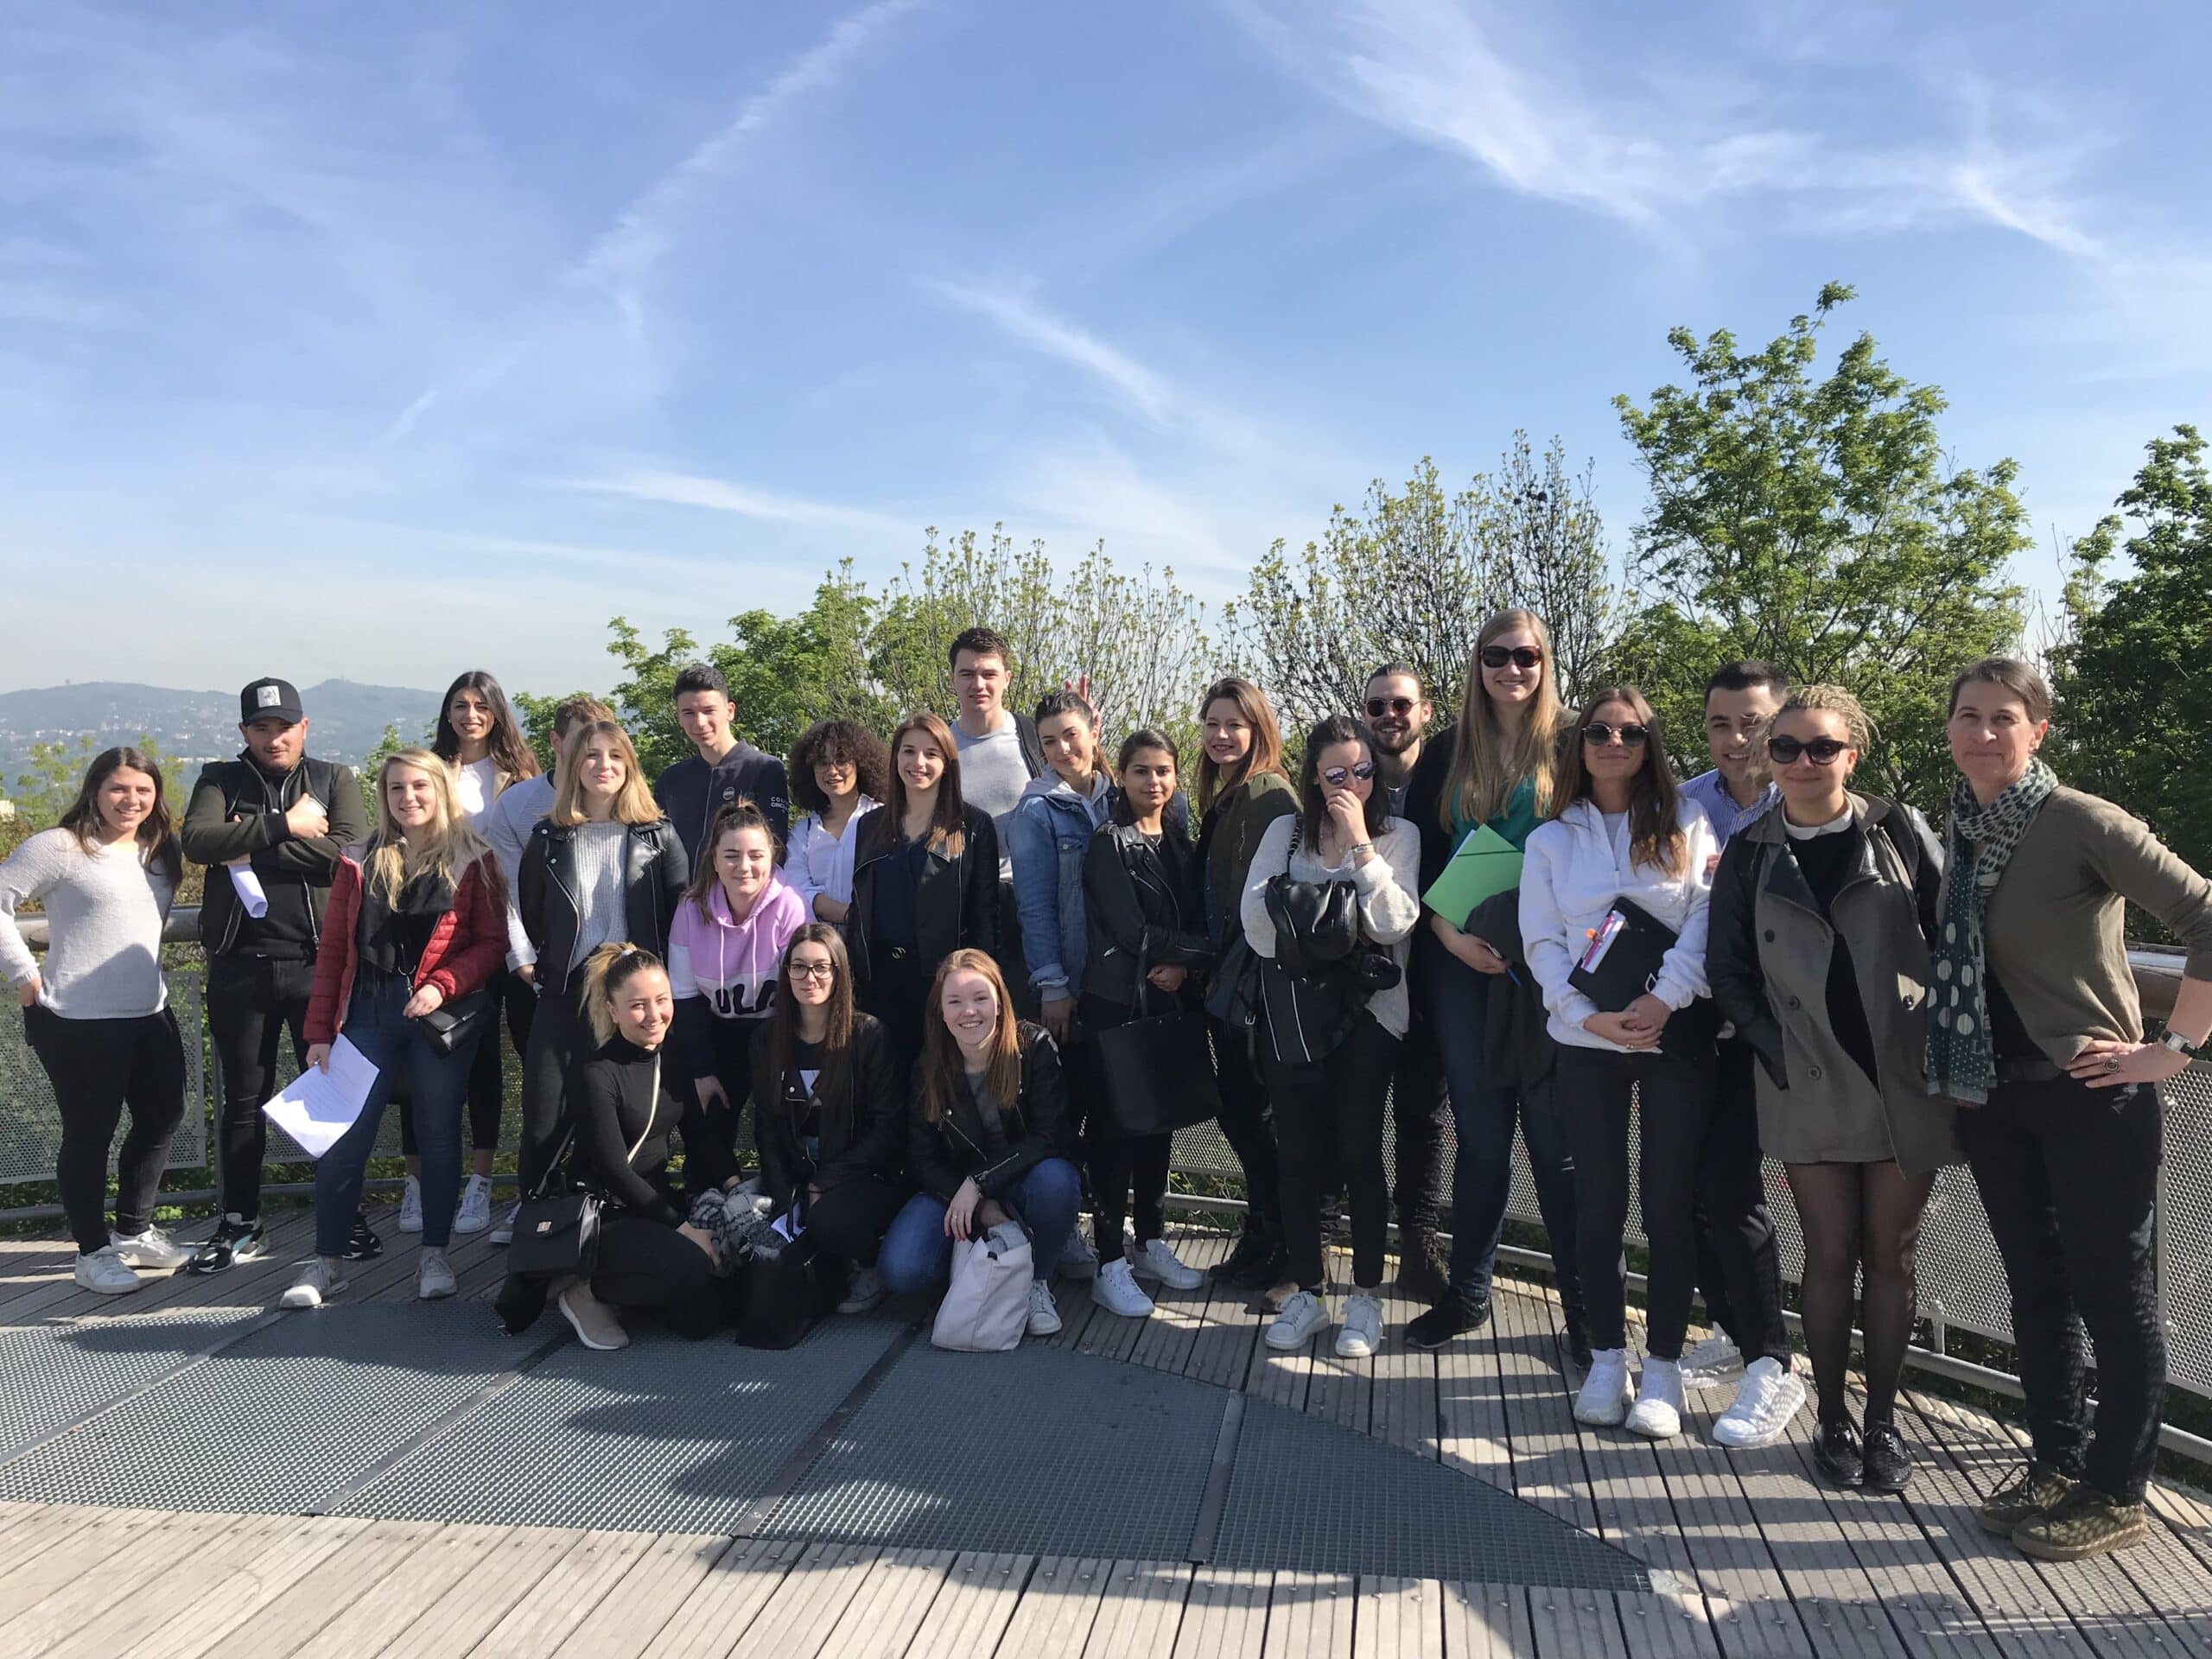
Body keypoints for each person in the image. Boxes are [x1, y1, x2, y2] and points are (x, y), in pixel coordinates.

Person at [1932, 659, 2212, 1560]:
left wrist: (2176, 1049)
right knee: (2034, 1287)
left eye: (2002, 718)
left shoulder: (2078, 820)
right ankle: (2054, 1462)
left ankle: (2116, 1487)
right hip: (1996, 1092)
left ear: (2037, 730)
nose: (1982, 734)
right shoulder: (1964, 827)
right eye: (1967, 717)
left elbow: (2205, 912)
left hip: (2093, 1096)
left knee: (2112, 1294)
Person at [1710, 686, 1951, 1475]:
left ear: (1853, 754)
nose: (1804, 763)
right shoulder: (1749, 852)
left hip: (1900, 1077)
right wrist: (1775, 1051)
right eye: (1786, 748)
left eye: (1821, 747)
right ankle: (1833, 1421)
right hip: (1805, 1077)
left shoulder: (1900, 834)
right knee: (1827, 1251)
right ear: (1766, 757)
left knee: (1892, 1254)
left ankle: (1881, 1423)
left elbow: (1955, 941)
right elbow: (1729, 970)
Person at [1522, 686, 1719, 1440]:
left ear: (1649, 744)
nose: (1613, 743)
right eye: (1598, 732)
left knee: (1669, 1205)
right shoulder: (1551, 841)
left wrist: (1664, 1000)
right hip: (1585, 1044)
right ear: (1577, 745)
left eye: (1629, 733)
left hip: (1671, 1037)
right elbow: (1541, 946)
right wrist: (1587, 1016)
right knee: (1597, 1208)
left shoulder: (1686, 821)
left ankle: (1662, 1366)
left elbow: (1704, 917)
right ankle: (1607, 1357)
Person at [1400, 613, 1586, 1357]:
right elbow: (1415, 862)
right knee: (1481, 1141)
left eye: (1527, 655)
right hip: (1460, 966)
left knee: (1555, 1146)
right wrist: (1445, 934)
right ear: (1477, 664)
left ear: (1546, 662)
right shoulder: (1446, 752)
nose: (1512, 668)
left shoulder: (1576, 742)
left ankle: (1586, 1313)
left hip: (1549, 971)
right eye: (1496, 656)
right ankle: (1468, 1292)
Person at [281, 750, 505, 1308]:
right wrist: (318, 1033)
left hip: (436, 1014)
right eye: (397, 788)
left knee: (437, 1133)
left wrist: (444, 984)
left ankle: (435, 1255)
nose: (408, 798)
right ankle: (328, 1262)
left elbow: (491, 943)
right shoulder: (359, 858)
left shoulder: (472, 858)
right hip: (367, 1013)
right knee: (342, 1139)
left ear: (440, 790)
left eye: (419, 787)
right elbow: (334, 950)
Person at [1241, 715, 1421, 1357]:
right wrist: (1343, 931)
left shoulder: (1399, 835)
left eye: (1364, 771)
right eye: (1337, 774)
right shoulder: (1284, 833)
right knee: (1297, 1158)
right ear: (1314, 777)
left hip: (1371, 1017)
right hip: (1295, 1016)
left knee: (1360, 1155)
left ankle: (1366, 1298)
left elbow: (1396, 922)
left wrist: (1358, 847)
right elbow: (1255, 925)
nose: (1353, 784)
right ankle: (1310, 1293)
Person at [179, 678, 369, 1274]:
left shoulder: (335, 779)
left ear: (303, 727)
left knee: (329, 1095)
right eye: (261, 727)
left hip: (319, 965)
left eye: (284, 726)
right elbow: (197, 841)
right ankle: (240, 1220)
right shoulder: (218, 778)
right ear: (244, 733)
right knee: (242, 1101)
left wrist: (248, 840)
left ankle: (345, 1214)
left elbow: (348, 853)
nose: (273, 736)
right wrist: (287, 825)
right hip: (239, 966)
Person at [0, 747, 191, 1294]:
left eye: (143, 790)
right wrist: (24, 978)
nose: (131, 800)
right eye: (118, 789)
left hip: (150, 1010)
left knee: (164, 1115)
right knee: (90, 1135)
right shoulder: (60, 847)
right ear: (94, 791)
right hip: (77, 1016)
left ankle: (133, 1229)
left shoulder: (160, 848)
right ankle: (91, 1251)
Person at [1669, 662, 1795, 1397]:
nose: (1737, 737)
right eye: (1721, 723)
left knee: (1732, 1189)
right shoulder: (1682, 805)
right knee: (1686, 1189)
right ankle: (1731, 1329)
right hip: (1689, 1020)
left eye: (1753, 722)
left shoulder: (1807, 798)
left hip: (1773, 1026)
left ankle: (1771, 1360)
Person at [512, 720, 687, 1217]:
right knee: (544, 1119)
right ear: (572, 765)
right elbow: (534, 914)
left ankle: (627, 1217)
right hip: (567, 991)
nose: (603, 766)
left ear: (629, 765)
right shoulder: (548, 838)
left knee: (631, 1118)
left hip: (635, 1000)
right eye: (591, 755)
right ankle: (537, 1225)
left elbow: (677, 916)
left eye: (615, 755)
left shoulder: (659, 835)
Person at [878, 949, 1084, 1338]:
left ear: (1000, 1002)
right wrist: (977, 1202)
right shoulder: (928, 1069)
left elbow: (1049, 1136)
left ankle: (1036, 1281)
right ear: (940, 1011)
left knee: (1058, 1179)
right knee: (902, 1270)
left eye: (979, 998)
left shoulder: (1033, 1047)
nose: (968, 1011)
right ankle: (977, 1265)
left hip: (1020, 1180)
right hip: (954, 1189)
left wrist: (980, 1184)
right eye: (954, 1001)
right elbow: (922, 1160)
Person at [1080, 730, 1214, 1319]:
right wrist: (1201, 949)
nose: (1153, 782)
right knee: (1115, 1133)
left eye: (1163, 771)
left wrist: (1184, 967)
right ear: (1123, 777)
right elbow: (1132, 933)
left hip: (1168, 1002)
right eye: (1140, 771)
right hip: (1116, 1004)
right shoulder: (1108, 844)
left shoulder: (1181, 843)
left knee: (1160, 1126)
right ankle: (1108, 1260)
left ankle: (1151, 1241)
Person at [477, 695, 616, 1237]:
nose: (594, 756)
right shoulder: (521, 810)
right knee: (547, 1097)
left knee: (607, 1094)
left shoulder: (635, 815)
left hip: (616, 981)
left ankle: (598, 1201)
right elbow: (510, 895)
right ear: (559, 744)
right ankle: (537, 1201)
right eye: (582, 741)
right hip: (544, 974)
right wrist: (523, 961)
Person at [547, 944, 728, 1351]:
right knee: (695, 1265)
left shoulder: (673, 1056)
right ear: (612, 1011)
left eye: (662, 1001)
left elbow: (701, 1138)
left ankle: (651, 1283)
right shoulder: (596, 1074)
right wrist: (685, 1231)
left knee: (707, 1317)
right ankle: (586, 1290)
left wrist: (737, 1189)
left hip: (657, 1204)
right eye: (637, 1006)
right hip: (608, 1213)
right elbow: (614, 1169)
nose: (654, 1016)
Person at [416, 670, 543, 1242]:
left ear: (496, 713)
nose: (470, 715)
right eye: (460, 705)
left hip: (511, 926)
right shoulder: (433, 770)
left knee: (508, 1058)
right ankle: (430, 1184)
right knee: (444, 1053)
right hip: (448, 924)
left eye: (480, 706)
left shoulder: (520, 774)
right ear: (447, 713)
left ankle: (487, 1181)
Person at [1006, 689, 1116, 1275]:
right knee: (1066, 1113)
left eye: (1071, 735)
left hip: (1122, 987)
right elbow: (1036, 907)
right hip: (1070, 985)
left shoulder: (1121, 797)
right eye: (1048, 741)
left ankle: (1122, 1238)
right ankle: (1066, 1231)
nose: (1062, 749)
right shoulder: (1036, 810)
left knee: (1116, 1113)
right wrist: (1051, 984)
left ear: (1093, 731)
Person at [1194, 677, 1296, 1290]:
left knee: (1252, 1114)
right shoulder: (1233, 792)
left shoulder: (1265, 793)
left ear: (1259, 729)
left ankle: (1281, 1242)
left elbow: (1259, 899)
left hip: (1252, 982)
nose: (1221, 735)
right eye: (1212, 724)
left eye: (1235, 724)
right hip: (1233, 976)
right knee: (1242, 1113)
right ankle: (1263, 1235)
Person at [750, 925, 907, 1314]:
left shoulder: (869, 1036)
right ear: (785, 973)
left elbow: (887, 1130)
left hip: (861, 1175)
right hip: (796, 1171)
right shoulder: (767, 1039)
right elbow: (767, 1125)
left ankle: (869, 1264)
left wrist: (825, 1181)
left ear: (840, 973)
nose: (810, 978)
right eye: (799, 967)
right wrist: (784, 1192)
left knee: (828, 1221)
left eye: (822, 967)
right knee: (745, 1223)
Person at [1363, 663, 1452, 1303]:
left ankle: (1418, 1244)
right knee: (1353, 1114)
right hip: (1360, 981)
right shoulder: (1348, 779)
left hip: (1439, 971)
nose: (1389, 716)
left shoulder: (1452, 782)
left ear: (1424, 712)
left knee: (1424, 1114)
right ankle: (1327, 1242)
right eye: (1377, 707)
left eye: (1402, 705)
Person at [849, 712, 999, 1076]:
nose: (918, 763)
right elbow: (860, 908)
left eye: (931, 754)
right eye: (908, 751)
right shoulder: (870, 825)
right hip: (879, 982)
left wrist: (978, 986)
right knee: (885, 1086)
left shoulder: (974, 827)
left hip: (942, 983)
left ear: (947, 763)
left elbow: (985, 916)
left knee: (939, 1085)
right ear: (895, 758)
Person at [668, 801, 804, 1192]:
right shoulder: (691, 910)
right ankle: (709, 1202)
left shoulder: (790, 905)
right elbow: (685, 995)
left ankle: (782, 1204)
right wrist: (702, 1069)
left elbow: (802, 990)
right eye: (731, 855)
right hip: (714, 1030)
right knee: (705, 1119)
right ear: (714, 859)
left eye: (755, 856)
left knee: (776, 1121)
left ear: (771, 857)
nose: (744, 866)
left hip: (774, 1029)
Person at [652, 662, 791, 868]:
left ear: (730, 711)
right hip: (683, 899)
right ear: (679, 717)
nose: (699, 722)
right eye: (688, 713)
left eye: (709, 710)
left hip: (741, 897)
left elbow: (775, 848)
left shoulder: (765, 769)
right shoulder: (671, 779)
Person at [785, 719, 889, 926]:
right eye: (823, 762)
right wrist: (847, 915)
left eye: (841, 760)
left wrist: (861, 921)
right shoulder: (802, 832)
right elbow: (795, 886)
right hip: (819, 946)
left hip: (875, 937)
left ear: (860, 763)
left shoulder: (884, 819)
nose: (832, 771)